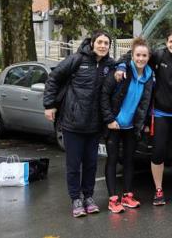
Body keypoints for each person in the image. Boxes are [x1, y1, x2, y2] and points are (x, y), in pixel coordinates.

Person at [115, 29, 172, 206]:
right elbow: (136, 55)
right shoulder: (159, 56)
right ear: (166, 43)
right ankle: (158, 190)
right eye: (171, 42)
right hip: (160, 113)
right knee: (157, 151)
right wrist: (122, 65)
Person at [43, 30, 116, 218]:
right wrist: (49, 105)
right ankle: (76, 198)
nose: (103, 46)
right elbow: (53, 78)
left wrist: (122, 67)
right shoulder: (77, 59)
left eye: (106, 43)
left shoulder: (110, 64)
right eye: (99, 42)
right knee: (74, 165)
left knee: (91, 164)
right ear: (92, 43)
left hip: (94, 125)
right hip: (73, 123)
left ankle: (89, 197)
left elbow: (125, 62)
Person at [100, 38, 153, 213]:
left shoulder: (149, 76)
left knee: (130, 161)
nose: (141, 59)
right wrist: (109, 119)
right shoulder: (121, 71)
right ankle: (113, 199)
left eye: (144, 55)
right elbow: (104, 95)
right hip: (115, 124)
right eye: (138, 55)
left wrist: (143, 123)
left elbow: (146, 103)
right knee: (113, 160)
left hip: (131, 126)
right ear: (132, 54)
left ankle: (127, 196)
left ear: (148, 56)